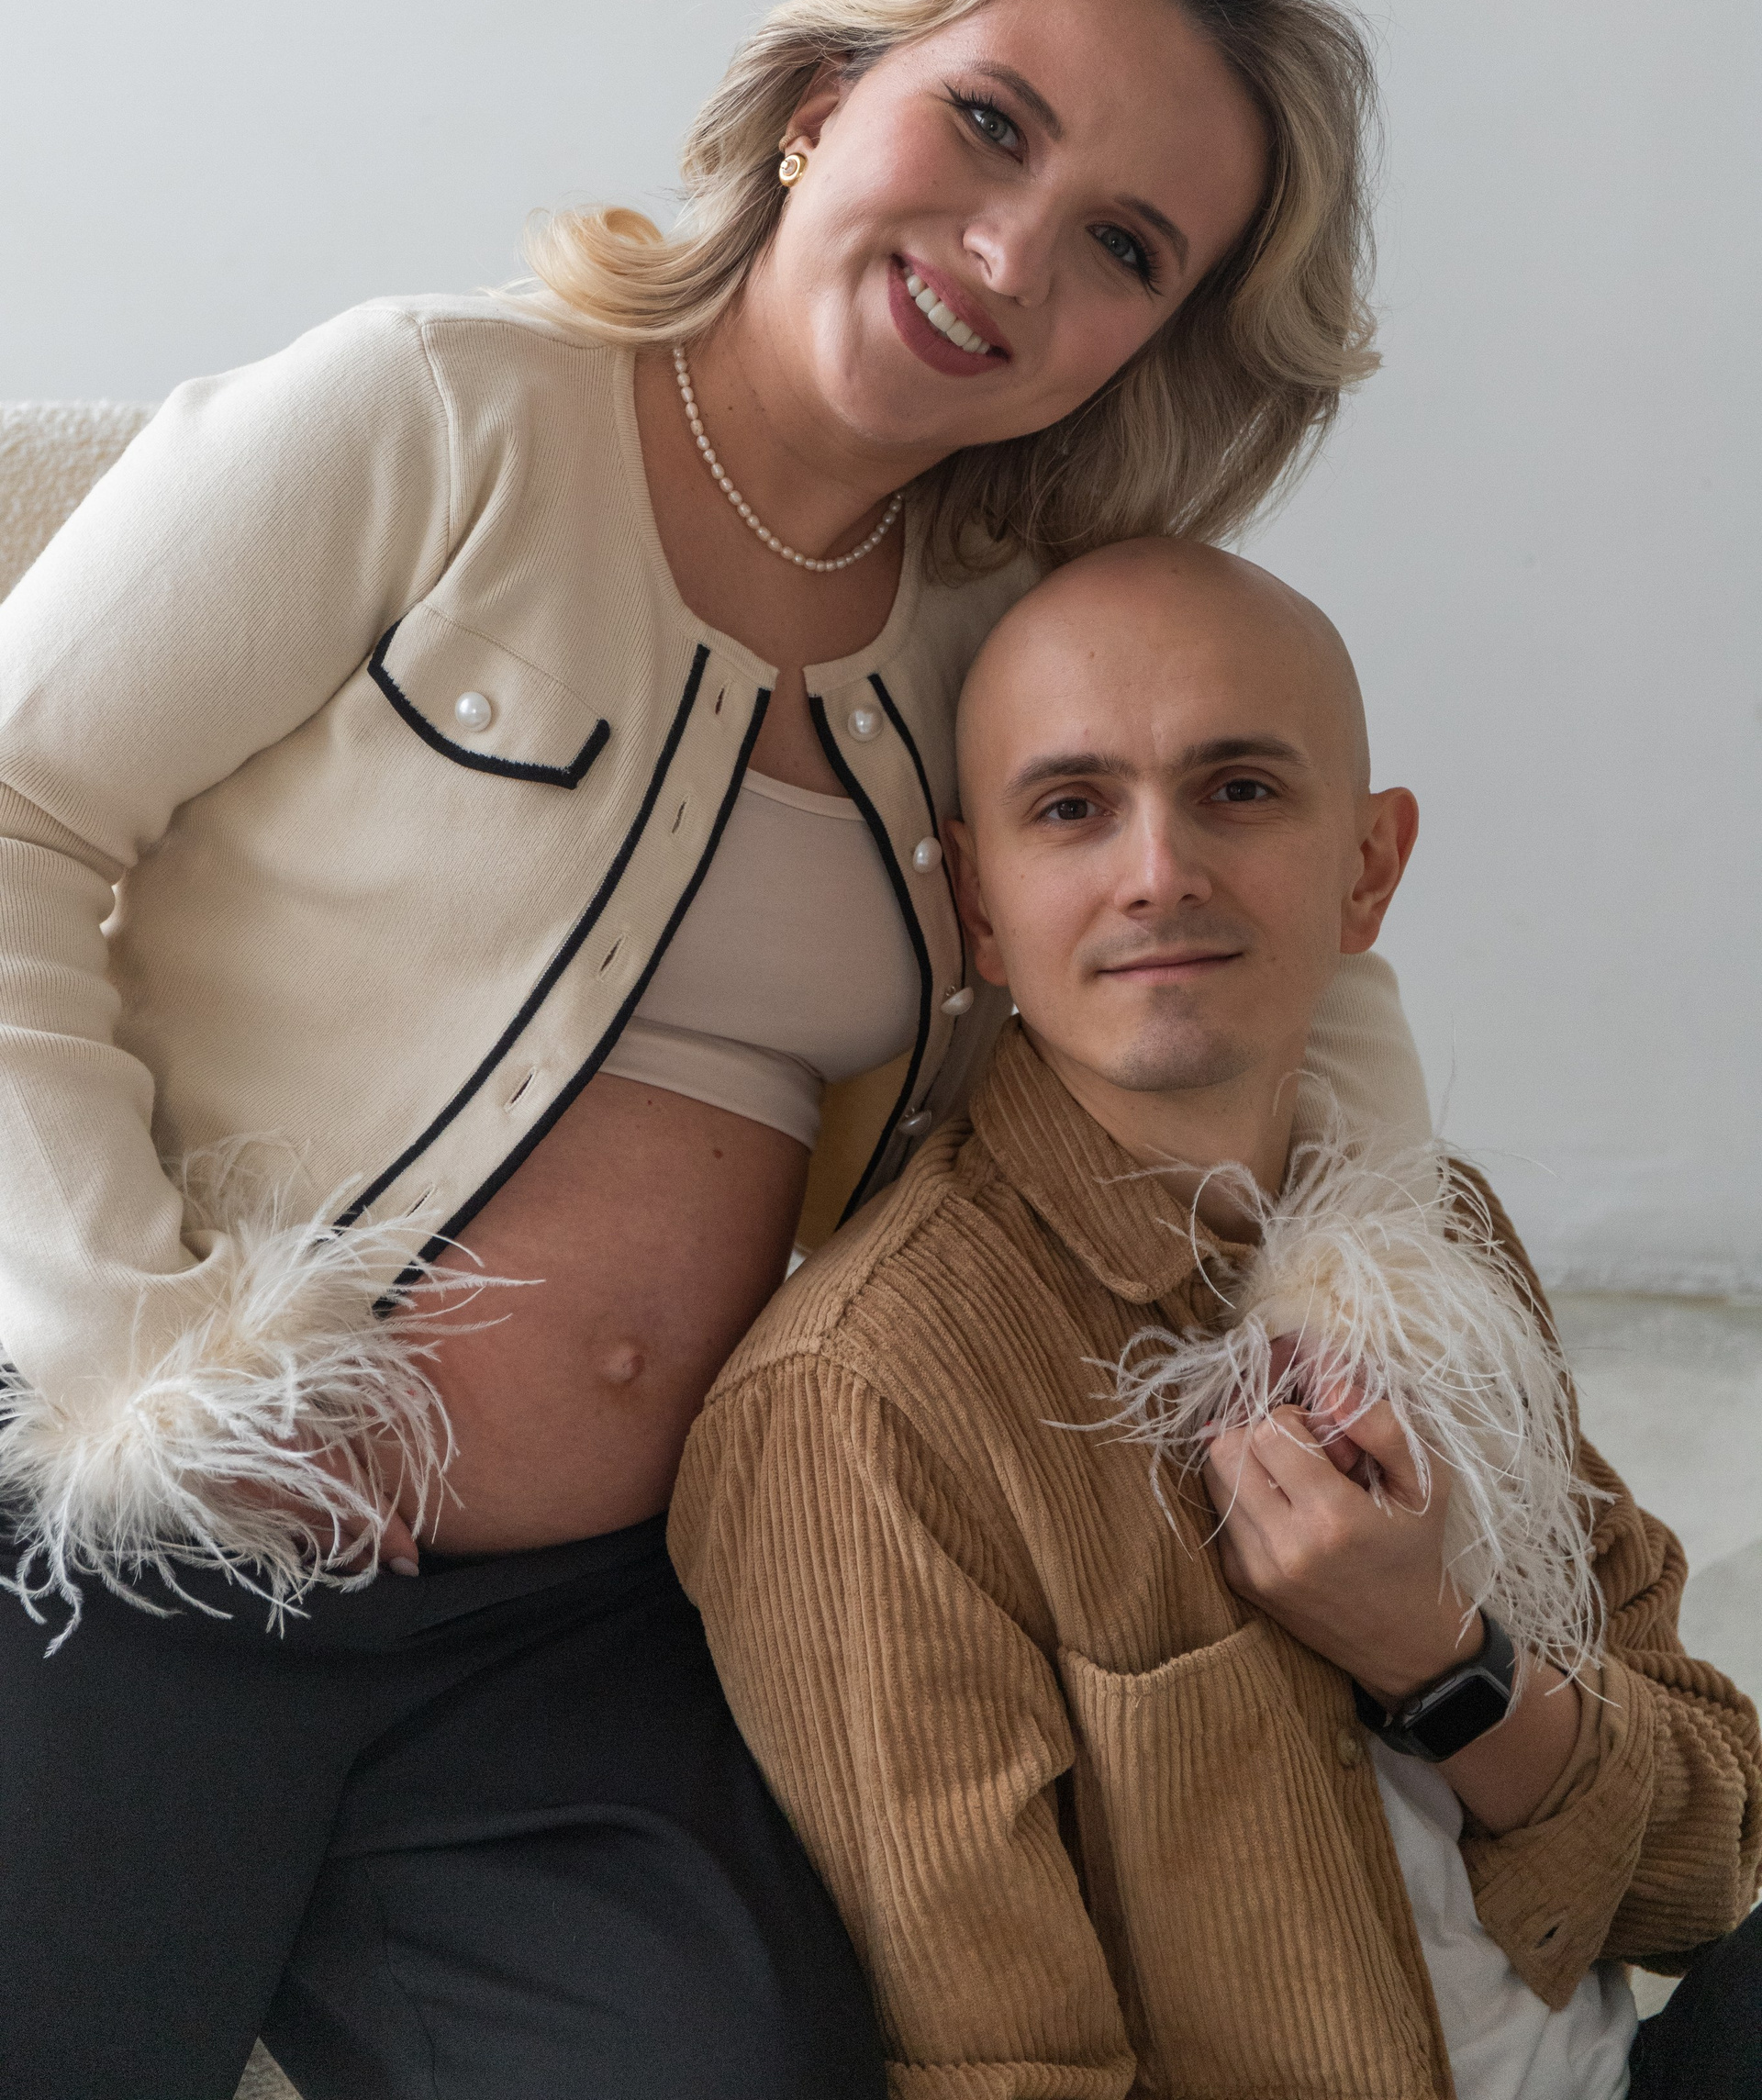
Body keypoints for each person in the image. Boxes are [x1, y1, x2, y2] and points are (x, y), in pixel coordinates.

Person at [0, 0, 1433, 2098]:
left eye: (1123, 250)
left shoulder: (1001, 634)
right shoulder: (441, 411)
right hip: (129, 1540)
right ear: (826, 99)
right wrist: (151, 1357)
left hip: (575, 1640)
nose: (1011, 255)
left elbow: (1299, 943)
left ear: (1147, 342)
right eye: (989, 125)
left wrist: (1356, 1301)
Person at [672, 539, 1762, 2100]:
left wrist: (1439, 1658)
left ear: (1369, 868)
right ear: (980, 902)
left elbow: (1709, 1860)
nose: (1159, 873)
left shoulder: (1438, 1232)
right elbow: (1009, 2075)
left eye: (1238, 789)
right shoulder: (861, 1401)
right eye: (1073, 808)